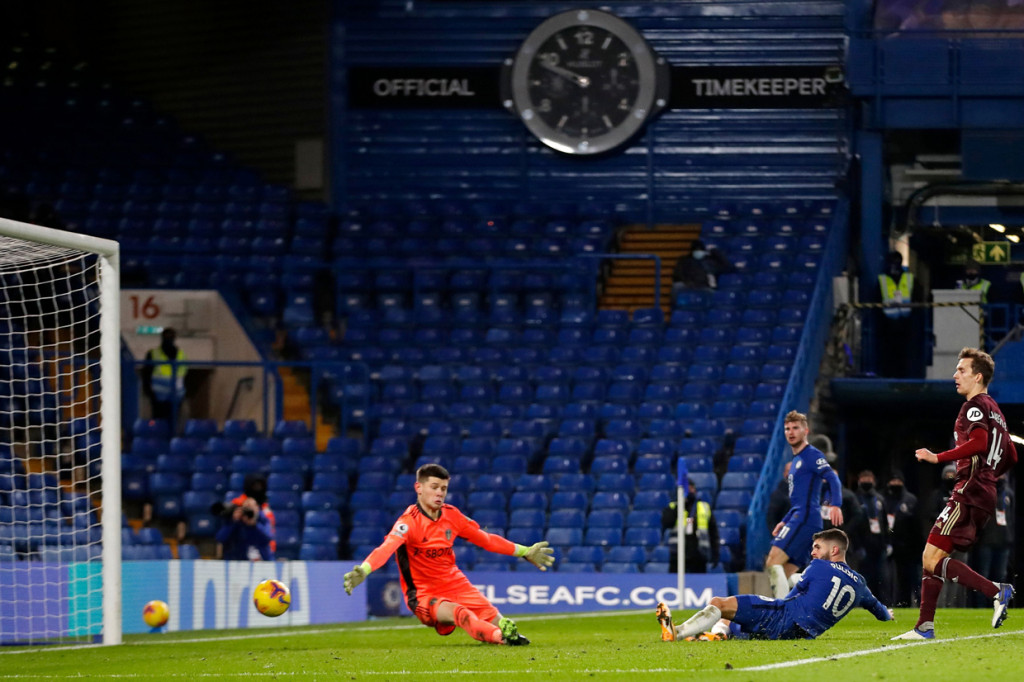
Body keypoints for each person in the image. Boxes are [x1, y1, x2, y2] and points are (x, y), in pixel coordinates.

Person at [342, 464, 554, 645]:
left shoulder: (452, 516)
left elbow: (487, 540)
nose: (439, 493)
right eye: (434, 487)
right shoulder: (408, 522)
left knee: (493, 616)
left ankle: (507, 633)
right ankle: (501, 638)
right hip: (424, 594)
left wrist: (525, 551)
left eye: (443, 488)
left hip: (455, 583)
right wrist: (365, 569)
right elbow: (386, 548)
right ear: (419, 488)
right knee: (461, 614)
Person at [893, 347, 1018, 640]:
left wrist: (939, 457)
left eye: (961, 370)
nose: (955, 375)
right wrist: (991, 477)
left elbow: (978, 442)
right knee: (933, 557)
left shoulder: (973, 406)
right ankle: (925, 626)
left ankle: (995, 591)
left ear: (977, 376)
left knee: (930, 556)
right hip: (984, 492)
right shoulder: (996, 411)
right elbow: (1010, 454)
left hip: (968, 490)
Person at [657, 529, 893, 641]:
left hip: (784, 618)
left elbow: (788, 599)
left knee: (720, 604)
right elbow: (880, 612)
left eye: (817, 548)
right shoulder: (860, 583)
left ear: (833, 550)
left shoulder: (818, 567)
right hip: (801, 636)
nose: (812, 552)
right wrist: (888, 614)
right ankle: (716, 636)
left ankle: (676, 633)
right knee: (734, 624)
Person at [765, 411, 844, 599]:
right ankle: (821, 588)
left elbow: (832, 477)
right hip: (799, 517)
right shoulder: (796, 460)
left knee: (772, 563)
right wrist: (784, 521)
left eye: (795, 428)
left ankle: (781, 615)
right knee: (784, 573)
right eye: (787, 429)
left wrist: (836, 504)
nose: (791, 432)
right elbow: (798, 498)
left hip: (805, 518)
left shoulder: (811, 455)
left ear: (805, 431)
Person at [970, 474, 1014, 608]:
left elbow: (1012, 517)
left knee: (1000, 576)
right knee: (984, 576)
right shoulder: (984, 492)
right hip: (986, 541)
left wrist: (1010, 536)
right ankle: (982, 607)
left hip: (1003, 541)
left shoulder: (1008, 493)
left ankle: (998, 606)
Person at [661, 479, 720, 573]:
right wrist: (679, 506)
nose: (688, 491)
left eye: (691, 488)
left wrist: (715, 553)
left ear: (695, 490)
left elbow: (713, 533)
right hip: (677, 556)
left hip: (699, 556)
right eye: (685, 489)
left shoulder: (704, 507)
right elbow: (667, 523)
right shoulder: (672, 506)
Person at [214, 474, 276, 561]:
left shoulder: (264, 516)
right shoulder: (236, 518)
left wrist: (254, 524)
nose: (248, 510)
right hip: (238, 562)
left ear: (257, 508)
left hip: (263, 562)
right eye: (246, 506)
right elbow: (220, 538)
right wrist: (234, 522)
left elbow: (268, 538)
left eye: (252, 507)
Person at [884, 469, 922, 607]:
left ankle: (918, 605)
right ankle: (898, 604)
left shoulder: (910, 500)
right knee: (894, 580)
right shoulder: (885, 500)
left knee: (914, 579)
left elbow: (917, 525)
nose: (895, 483)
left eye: (898, 481)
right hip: (890, 546)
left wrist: (918, 547)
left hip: (909, 548)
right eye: (893, 481)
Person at [876, 250, 917, 377]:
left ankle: (903, 376)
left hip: (905, 322)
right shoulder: (882, 279)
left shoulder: (908, 278)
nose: (895, 265)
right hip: (888, 323)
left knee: (904, 353)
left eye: (897, 262)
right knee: (888, 353)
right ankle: (889, 376)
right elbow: (876, 297)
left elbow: (916, 296)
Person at [853, 470, 890, 599]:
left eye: (869, 478)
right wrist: (856, 546)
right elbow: (854, 525)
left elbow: (886, 524)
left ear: (874, 481)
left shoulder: (879, 499)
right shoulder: (855, 499)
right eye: (864, 478)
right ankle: (864, 602)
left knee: (882, 577)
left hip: (879, 545)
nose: (866, 481)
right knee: (864, 577)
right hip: (863, 544)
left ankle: (884, 604)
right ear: (859, 481)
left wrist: (888, 542)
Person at [141, 328, 187, 427]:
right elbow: (146, 374)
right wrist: (149, 392)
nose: (169, 339)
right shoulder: (153, 354)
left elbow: (185, 375)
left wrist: (183, 393)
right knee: (158, 424)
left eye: (171, 336)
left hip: (176, 396)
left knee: (173, 424)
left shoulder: (181, 354)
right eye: (167, 336)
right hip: (158, 397)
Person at [765, 461, 791, 532]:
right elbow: (771, 518)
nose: (791, 474)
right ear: (784, 473)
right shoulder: (778, 495)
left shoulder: (806, 492)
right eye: (789, 471)